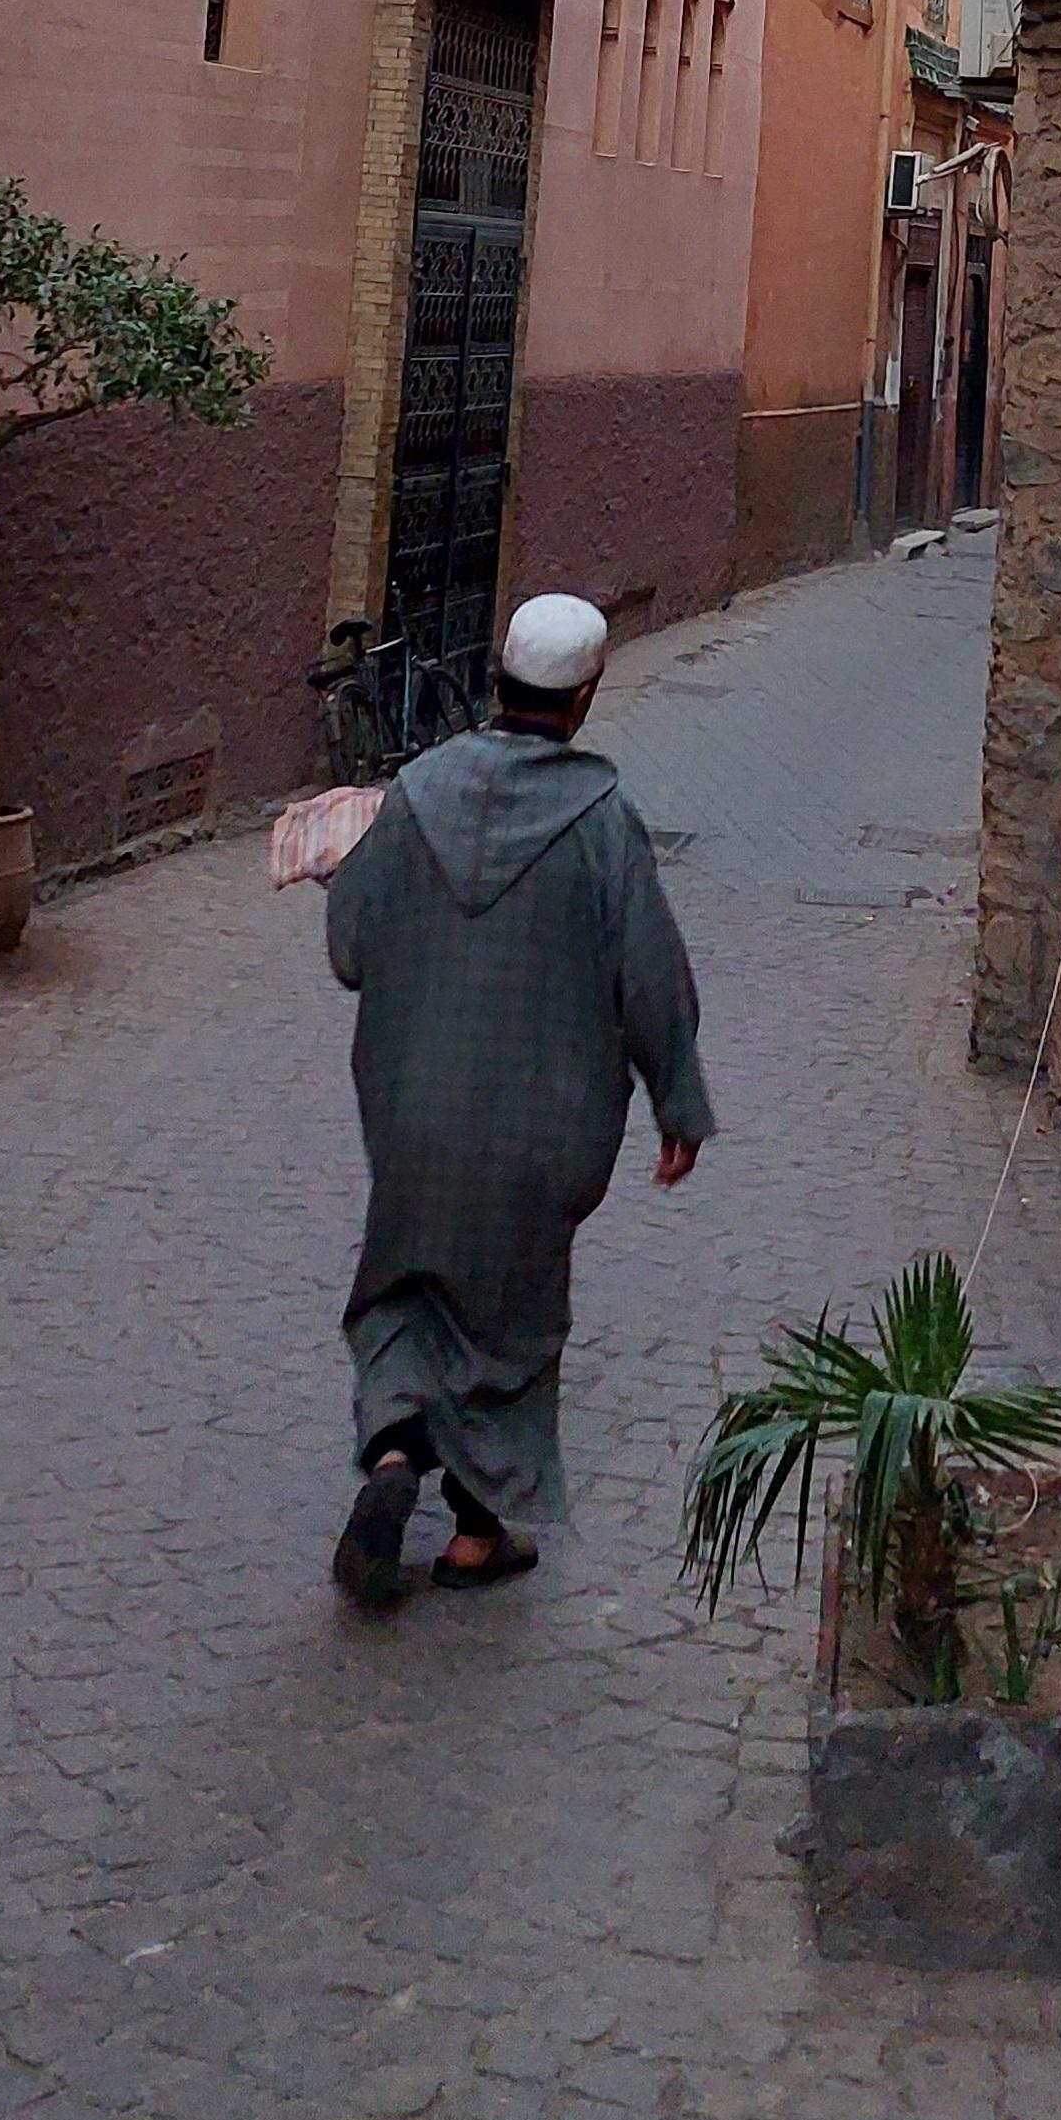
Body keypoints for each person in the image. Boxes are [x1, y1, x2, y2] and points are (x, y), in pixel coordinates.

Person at [322, 592, 712, 1603]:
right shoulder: (603, 822)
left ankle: (395, 1455)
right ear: (583, 696)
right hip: (541, 1128)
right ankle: (476, 1531)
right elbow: (652, 981)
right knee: (510, 1314)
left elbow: (352, 949)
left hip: (411, 1113)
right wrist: (679, 1100)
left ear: (499, 677)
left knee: (405, 1285)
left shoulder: (414, 791)